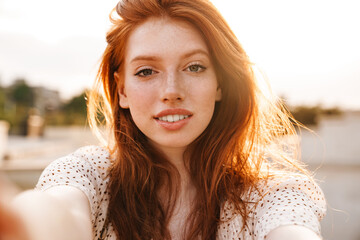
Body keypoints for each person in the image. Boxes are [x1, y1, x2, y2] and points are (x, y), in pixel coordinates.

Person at [1, 0, 326, 239]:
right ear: (122, 89)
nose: (171, 91)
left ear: (221, 83)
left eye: (194, 67)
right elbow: (61, 212)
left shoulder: (273, 193)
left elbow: (291, 230)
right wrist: (22, 221)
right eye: (146, 71)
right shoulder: (91, 174)